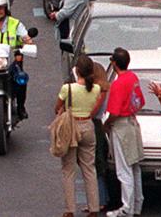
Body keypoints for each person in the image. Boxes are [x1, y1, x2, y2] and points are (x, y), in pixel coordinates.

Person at [54, 54, 103, 217]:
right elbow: (95, 107)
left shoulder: (68, 88)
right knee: (89, 168)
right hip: (88, 126)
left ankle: (69, 210)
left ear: (77, 71)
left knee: (68, 169)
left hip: (71, 126)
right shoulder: (96, 89)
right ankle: (94, 208)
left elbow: (57, 106)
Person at [104, 48, 145, 217]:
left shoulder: (118, 84)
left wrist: (106, 125)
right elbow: (139, 101)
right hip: (133, 123)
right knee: (135, 166)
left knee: (123, 169)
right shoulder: (133, 78)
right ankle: (136, 204)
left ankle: (126, 208)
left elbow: (113, 112)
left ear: (114, 63)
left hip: (121, 126)